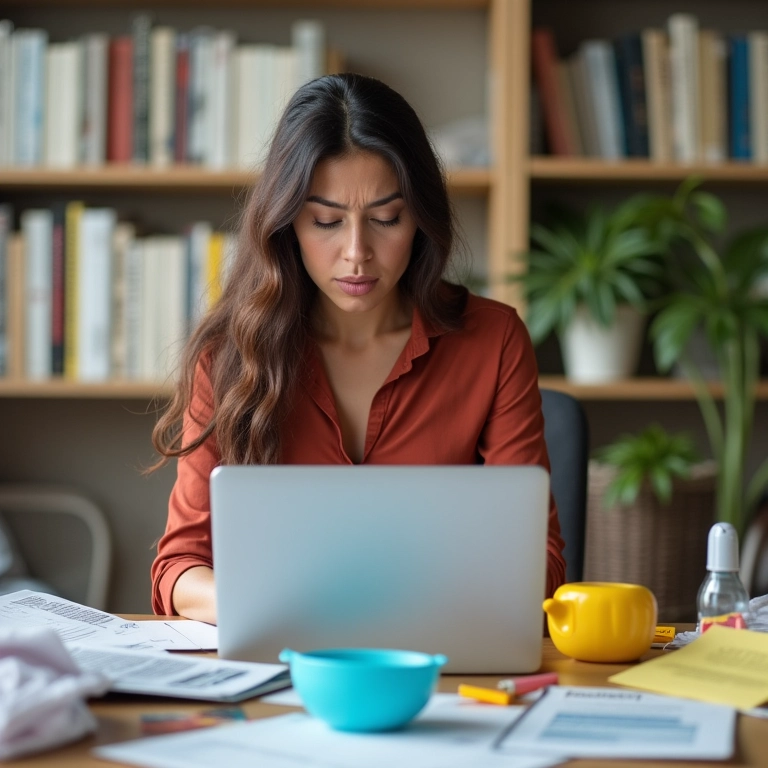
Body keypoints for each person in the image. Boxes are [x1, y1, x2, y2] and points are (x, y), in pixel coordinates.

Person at [150, 73, 566, 624]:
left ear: (420, 217)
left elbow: (541, 561)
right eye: (326, 221)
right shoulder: (229, 355)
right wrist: (272, 608)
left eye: (386, 219)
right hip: (281, 659)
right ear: (287, 222)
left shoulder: (493, 341)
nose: (356, 253)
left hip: (443, 661)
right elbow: (179, 566)